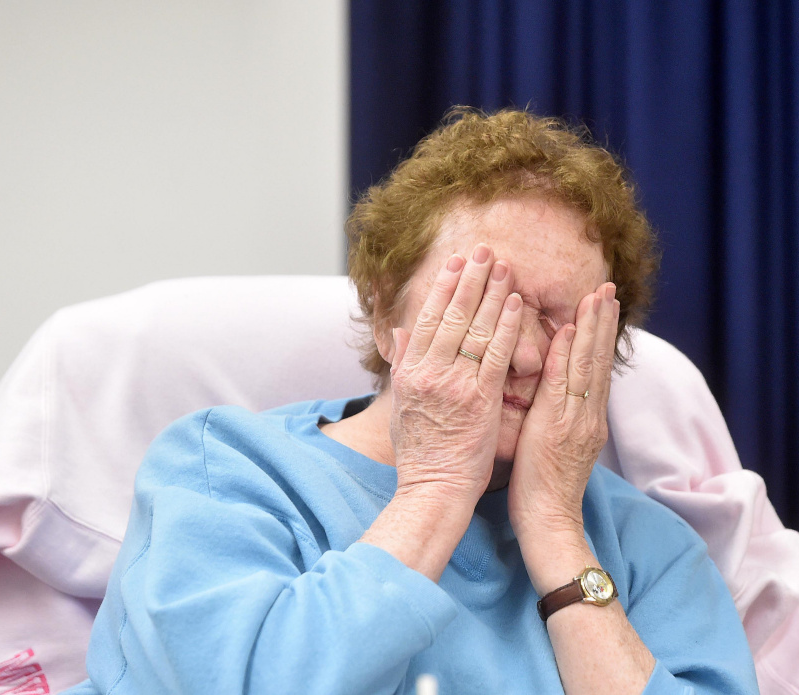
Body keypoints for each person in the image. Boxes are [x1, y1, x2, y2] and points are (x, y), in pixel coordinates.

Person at [63, 108, 758, 694]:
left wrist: (554, 529)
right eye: (483, 302)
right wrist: (434, 488)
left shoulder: (646, 543)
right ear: (384, 308)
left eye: (556, 318)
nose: (518, 352)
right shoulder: (224, 471)